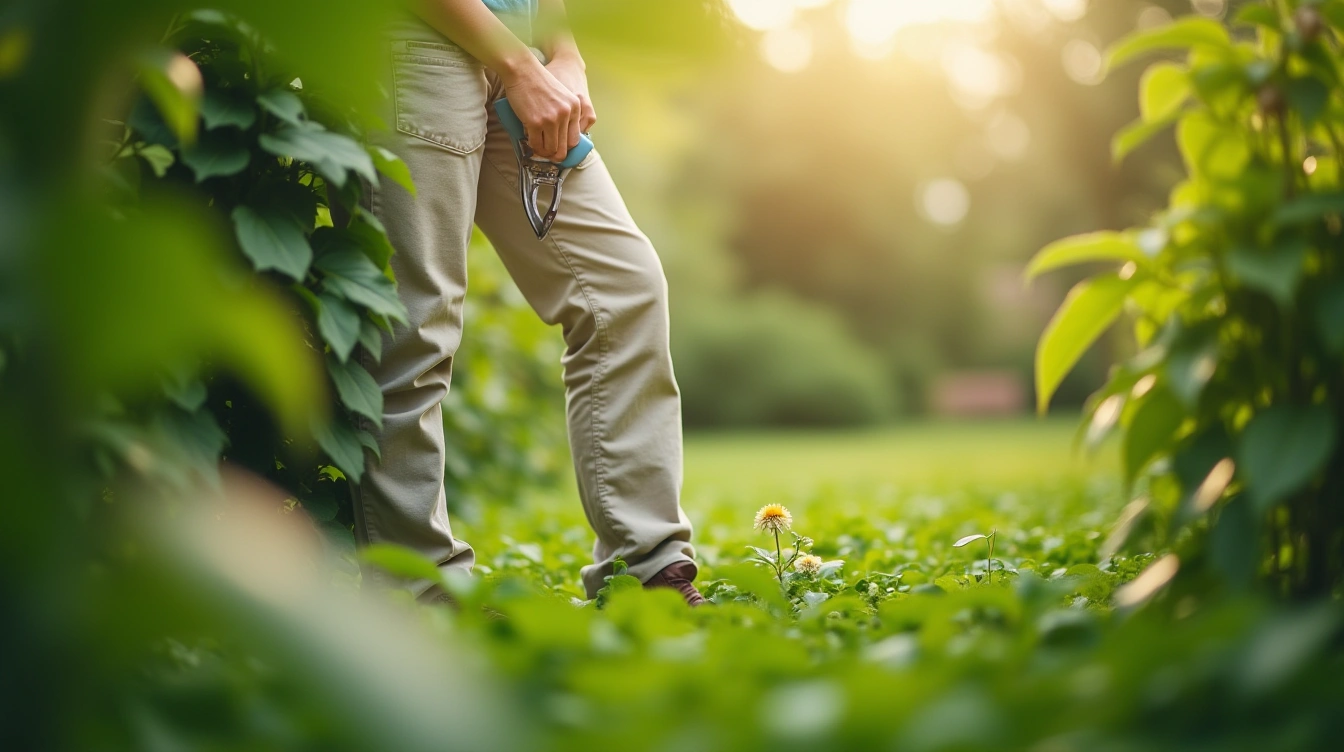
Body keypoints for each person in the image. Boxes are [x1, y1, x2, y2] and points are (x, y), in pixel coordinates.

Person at [352, 0, 706, 606]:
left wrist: (564, 53)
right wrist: (517, 63)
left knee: (624, 289)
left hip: (525, 59)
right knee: (417, 325)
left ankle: (647, 567)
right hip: (420, 45)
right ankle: (420, 593)